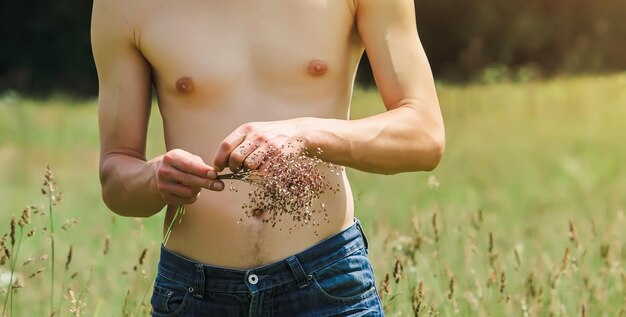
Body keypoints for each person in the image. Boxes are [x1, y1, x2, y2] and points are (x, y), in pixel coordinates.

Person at [91, 0, 444, 315]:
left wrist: (303, 134)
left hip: (326, 284)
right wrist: (154, 178)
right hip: (192, 294)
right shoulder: (122, 5)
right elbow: (115, 173)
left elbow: (424, 134)